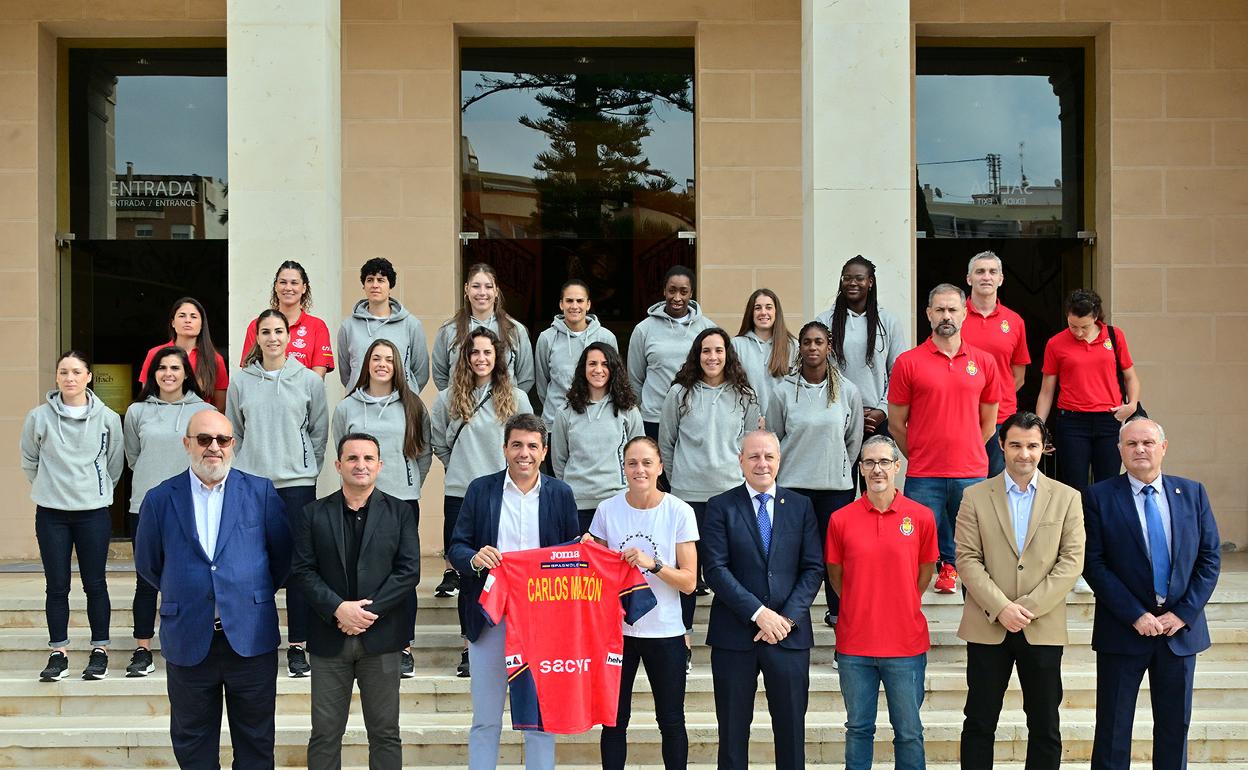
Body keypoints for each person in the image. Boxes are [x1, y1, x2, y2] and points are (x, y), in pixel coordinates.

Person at [133, 409, 293, 770]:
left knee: (255, 743)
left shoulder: (260, 492)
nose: (214, 448)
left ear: (233, 444)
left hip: (250, 639)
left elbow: (281, 558)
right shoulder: (160, 499)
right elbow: (149, 564)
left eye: (223, 440)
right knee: (193, 747)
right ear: (187, 443)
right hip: (189, 637)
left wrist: (242, 594)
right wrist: (191, 591)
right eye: (204, 439)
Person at [1083, 418, 1221, 770]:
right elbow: (1094, 563)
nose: (1140, 449)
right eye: (1131, 444)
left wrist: (1182, 614)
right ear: (1119, 450)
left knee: (1175, 729)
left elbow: (1208, 559)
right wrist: (1135, 614)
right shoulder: (1098, 496)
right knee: (1113, 730)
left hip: (1178, 633)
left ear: (1164, 447)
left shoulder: (1192, 493)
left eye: (1147, 442)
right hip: (1123, 631)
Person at [446, 413, 580, 770]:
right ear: (504, 448)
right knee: (486, 718)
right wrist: (475, 558)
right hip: (490, 617)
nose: (525, 453)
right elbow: (456, 546)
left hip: (543, 624)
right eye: (517, 445)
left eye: (532, 446)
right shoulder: (480, 489)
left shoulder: (561, 494)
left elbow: (573, 554)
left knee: (540, 719)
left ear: (544, 451)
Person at [955, 411, 1085, 770]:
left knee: (1044, 724)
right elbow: (966, 559)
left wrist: (1026, 607)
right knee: (980, 721)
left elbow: (1071, 561)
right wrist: (1001, 608)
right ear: (1001, 445)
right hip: (987, 626)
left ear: (1044, 448)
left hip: (1042, 626)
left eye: (1031, 445)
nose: (1023, 454)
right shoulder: (975, 496)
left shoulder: (1067, 497)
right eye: (1015, 445)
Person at [291, 432, 420, 770]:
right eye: (352, 458)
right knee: (324, 734)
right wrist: (338, 608)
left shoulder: (401, 512)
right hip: (328, 639)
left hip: (382, 639)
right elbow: (303, 571)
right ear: (338, 465)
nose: (360, 465)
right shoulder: (312, 514)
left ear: (379, 465)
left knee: (385, 733)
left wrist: (365, 612)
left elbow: (408, 572)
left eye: (367, 459)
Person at [702, 430, 823, 770]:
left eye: (769, 456)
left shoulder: (801, 507)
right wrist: (759, 614)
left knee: (791, 735)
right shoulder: (719, 506)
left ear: (780, 461)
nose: (762, 463)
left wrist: (785, 619)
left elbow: (813, 569)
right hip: (734, 637)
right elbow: (714, 569)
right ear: (740, 461)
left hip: (788, 636)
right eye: (753, 456)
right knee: (732, 736)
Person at [226, 308, 329, 677]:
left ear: (289, 336)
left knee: (300, 567)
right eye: (265, 331)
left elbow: (319, 432)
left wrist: (306, 467)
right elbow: (234, 431)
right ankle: (254, 638)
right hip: (253, 485)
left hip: (297, 485)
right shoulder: (241, 381)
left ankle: (298, 645)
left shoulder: (308, 381)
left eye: (278, 331)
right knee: (254, 565)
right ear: (256, 337)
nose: (272, 337)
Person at [826, 435, 938, 770]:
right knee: (858, 729)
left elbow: (925, 571)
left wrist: (898, 601)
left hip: (906, 645)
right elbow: (836, 576)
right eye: (870, 463)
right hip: (855, 646)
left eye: (884, 462)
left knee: (909, 732)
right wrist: (864, 603)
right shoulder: (840, 519)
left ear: (898, 467)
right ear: (860, 469)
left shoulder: (920, 517)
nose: (877, 469)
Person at [587, 436, 698, 770]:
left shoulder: (679, 510)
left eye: (647, 462)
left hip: (665, 632)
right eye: (632, 463)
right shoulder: (608, 509)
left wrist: (654, 565)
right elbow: (597, 573)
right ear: (624, 468)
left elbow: (690, 582)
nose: (640, 470)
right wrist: (586, 552)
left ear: (660, 467)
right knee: (614, 721)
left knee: (671, 720)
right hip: (617, 632)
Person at [430, 327, 534, 674]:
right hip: (461, 493)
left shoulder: (516, 396)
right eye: (474, 352)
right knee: (470, 574)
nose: (481, 358)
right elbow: (438, 442)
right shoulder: (448, 397)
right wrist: (458, 467)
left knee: (509, 570)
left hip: (503, 493)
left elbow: (530, 441)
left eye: (487, 352)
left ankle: (518, 642)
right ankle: (468, 647)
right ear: (465, 357)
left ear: (498, 356)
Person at [888, 283, 1000, 594]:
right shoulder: (908, 362)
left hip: (972, 475)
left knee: (977, 558)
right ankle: (907, 628)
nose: (946, 315)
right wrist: (923, 454)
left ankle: (978, 634)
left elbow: (989, 424)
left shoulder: (985, 362)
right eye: (939, 309)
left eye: (952, 309)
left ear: (965, 313)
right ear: (928, 314)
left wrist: (965, 451)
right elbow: (897, 424)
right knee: (912, 555)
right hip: (924, 476)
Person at [332, 337, 432, 677]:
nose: (382, 364)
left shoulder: (413, 405)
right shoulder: (346, 407)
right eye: (376, 357)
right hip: (356, 499)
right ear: (367, 363)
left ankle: (404, 647)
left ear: (397, 366)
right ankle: (358, 634)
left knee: (401, 577)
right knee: (359, 571)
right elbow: (340, 449)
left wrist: (410, 482)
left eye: (389, 359)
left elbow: (424, 451)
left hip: (401, 498)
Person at [20, 350, 123, 681]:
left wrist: (95, 490)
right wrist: (51, 490)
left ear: (88, 377)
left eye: (76, 372)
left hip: (92, 512)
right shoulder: (38, 417)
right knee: (57, 585)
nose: (70, 378)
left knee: (95, 583)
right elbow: (29, 461)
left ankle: (99, 651)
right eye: (63, 372)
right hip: (51, 514)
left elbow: (115, 464)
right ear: (56, 377)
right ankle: (58, 652)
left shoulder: (107, 418)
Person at [659, 327, 762, 642]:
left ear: (727, 354)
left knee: (732, 567)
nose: (712, 357)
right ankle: (684, 637)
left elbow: (750, 446)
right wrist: (681, 480)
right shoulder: (679, 393)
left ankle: (736, 633)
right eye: (706, 350)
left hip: (732, 495)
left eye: (718, 350)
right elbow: (667, 443)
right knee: (689, 571)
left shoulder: (744, 395)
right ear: (697, 354)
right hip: (689, 496)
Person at [122, 345, 214, 677]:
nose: (168, 373)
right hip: (146, 505)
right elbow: (133, 457)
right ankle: (143, 649)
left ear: (186, 373)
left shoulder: (201, 410)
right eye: (162, 367)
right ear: (153, 373)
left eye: (175, 367)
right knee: (146, 580)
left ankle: (193, 643)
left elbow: (209, 454)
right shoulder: (137, 412)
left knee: (192, 577)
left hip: (190, 504)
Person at [766, 320, 863, 628]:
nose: (812, 347)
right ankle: (789, 619)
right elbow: (773, 438)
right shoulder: (783, 391)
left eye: (818, 342)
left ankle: (838, 617)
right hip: (793, 487)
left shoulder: (847, 390)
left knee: (835, 558)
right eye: (806, 342)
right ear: (800, 348)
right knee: (792, 557)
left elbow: (853, 439)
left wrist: (836, 465)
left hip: (835, 488)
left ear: (828, 347)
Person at [1036, 288, 1141, 492]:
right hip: (1072, 422)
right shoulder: (1056, 343)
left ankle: (1102, 525)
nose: (1078, 332)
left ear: (1095, 317)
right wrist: (1038, 426)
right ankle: (1078, 525)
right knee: (1073, 487)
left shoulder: (1114, 335)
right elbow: (1046, 390)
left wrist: (1132, 404)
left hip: (1110, 418)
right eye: (1072, 325)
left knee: (1108, 484)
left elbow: (1131, 377)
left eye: (1084, 327)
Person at [551, 341, 644, 532]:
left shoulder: (628, 410)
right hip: (577, 505)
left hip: (617, 502)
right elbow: (559, 460)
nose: (598, 370)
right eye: (592, 364)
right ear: (583, 369)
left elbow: (639, 455)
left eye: (605, 364)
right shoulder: (565, 412)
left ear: (614, 369)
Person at [817, 255, 906, 447]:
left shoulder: (888, 321)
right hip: (837, 417)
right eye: (847, 278)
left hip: (877, 420)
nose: (852, 283)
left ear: (870, 282)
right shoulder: (825, 321)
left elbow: (898, 373)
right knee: (841, 477)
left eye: (859, 278)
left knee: (875, 476)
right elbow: (817, 371)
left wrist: (882, 411)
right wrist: (845, 412)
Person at [959, 251, 1030, 479]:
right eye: (980, 271)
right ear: (969, 279)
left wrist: (994, 397)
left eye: (992, 272)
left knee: (999, 485)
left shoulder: (1014, 321)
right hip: (962, 416)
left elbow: (1018, 376)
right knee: (964, 484)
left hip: (1002, 418)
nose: (986, 277)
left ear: (1001, 279)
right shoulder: (955, 318)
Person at [627, 264, 715, 441]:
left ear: (691, 294)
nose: (677, 297)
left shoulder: (708, 329)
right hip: (653, 419)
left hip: (694, 417)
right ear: (664, 291)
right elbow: (635, 378)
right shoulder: (643, 329)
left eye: (683, 292)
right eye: (672, 290)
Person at [534, 278, 619, 442]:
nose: (574, 306)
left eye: (580, 301)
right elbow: (542, 383)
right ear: (561, 304)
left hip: (596, 422)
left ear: (588, 304)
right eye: (569, 301)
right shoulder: (547, 338)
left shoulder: (606, 337)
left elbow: (615, 379)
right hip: (555, 424)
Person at [432, 262, 535, 393]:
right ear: (466, 289)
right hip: (460, 410)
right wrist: (457, 401)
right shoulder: (448, 330)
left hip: (504, 411)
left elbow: (526, 378)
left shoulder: (515, 330)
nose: (482, 292)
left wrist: (508, 404)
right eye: (476, 286)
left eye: (488, 287)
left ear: (496, 291)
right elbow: (440, 375)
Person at [337, 256, 431, 392]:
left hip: (400, 405)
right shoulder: (348, 326)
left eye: (381, 280)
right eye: (370, 280)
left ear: (390, 285)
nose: (375, 285)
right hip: (359, 405)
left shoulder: (411, 325)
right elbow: (346, 373)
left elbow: (421, 373)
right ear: (364, 285)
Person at [238, 260, 335, 377]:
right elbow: (248, 372)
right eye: (283, 282)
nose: (288, 288)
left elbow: (318, 378)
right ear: (276, 286)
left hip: (303, 394)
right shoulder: (257, 325)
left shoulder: (317, 326)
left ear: (304, 288)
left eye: (294, 283)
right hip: (264, 394)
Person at [138, 296, 230, 411]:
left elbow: (220, 406)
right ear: (173, 323)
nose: (187, 320)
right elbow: (147, 396)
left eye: (193, 316)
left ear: (202, 324)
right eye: (182, 316)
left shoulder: (214, 359)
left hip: (200, 424)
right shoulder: (155, 353)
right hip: (161, 420)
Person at [732, 288, 797, 416]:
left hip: (783, 422)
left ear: (776, 312)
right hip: (747, 421)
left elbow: (796, 391)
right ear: (751, 313)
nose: (763, 312)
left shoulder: (793, 346)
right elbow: (733, 388)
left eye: (768, 307)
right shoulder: (736, 345)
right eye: (757, 308)